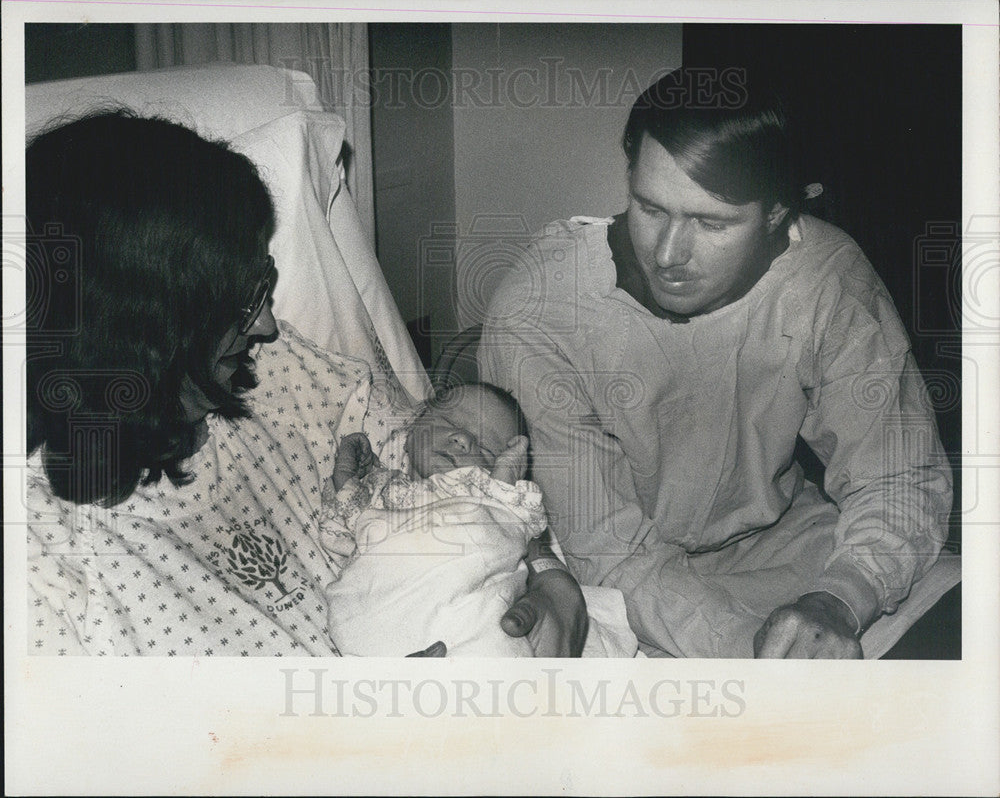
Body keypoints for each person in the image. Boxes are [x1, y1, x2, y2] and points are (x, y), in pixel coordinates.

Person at [24, 110, 587, 657]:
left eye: (262, 283)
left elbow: (466, 488)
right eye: (243, 303)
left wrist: (553, 583)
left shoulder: (284, 370)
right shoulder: (47, 563)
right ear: (142, 330)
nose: (267, 323)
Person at [478, 69, 953, 658]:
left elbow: (897, 475)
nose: (669, 255)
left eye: (710, 223)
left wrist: (841, 597)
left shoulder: (825, 276)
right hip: (611, 588)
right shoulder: (539, 308)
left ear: (779, 213)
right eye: (650, 209)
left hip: (790, 550)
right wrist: (759, 655)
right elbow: (610, 548)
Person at [319, 384, 637, 657]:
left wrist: (501, 488)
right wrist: (347, 481)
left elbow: (518, 524)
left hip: (468, 608)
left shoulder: (482, 494)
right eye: (448, 421)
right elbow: (341, 531)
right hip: (380, 614)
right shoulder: (384, 489)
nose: (462, 439)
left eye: (485, 447)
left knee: (490, 648)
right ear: (411, 432)